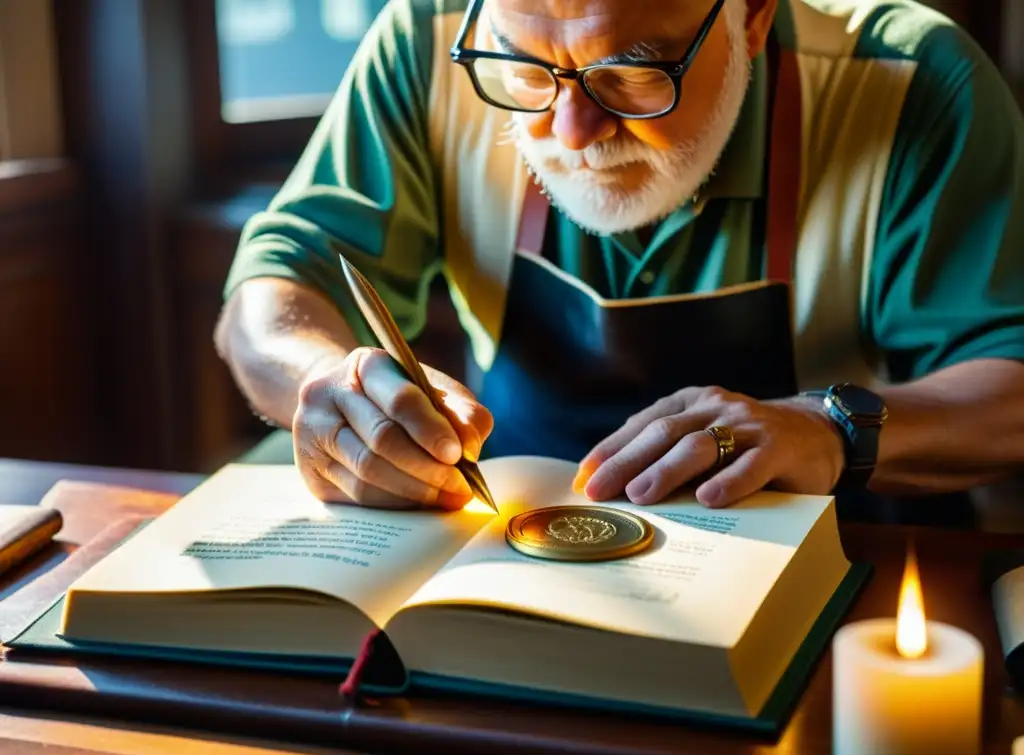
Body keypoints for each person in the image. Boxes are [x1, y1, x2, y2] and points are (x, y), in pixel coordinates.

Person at [215, 0, 1024, 517]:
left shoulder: (909, 83)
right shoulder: (430, 45)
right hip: (512, 550)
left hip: (837, 572)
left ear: (749, 18)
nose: (571, 132)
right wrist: (325, 385)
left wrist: (828, 427)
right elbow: (280, 281)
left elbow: (1011, 381)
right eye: (526, 68)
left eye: (631, 74)